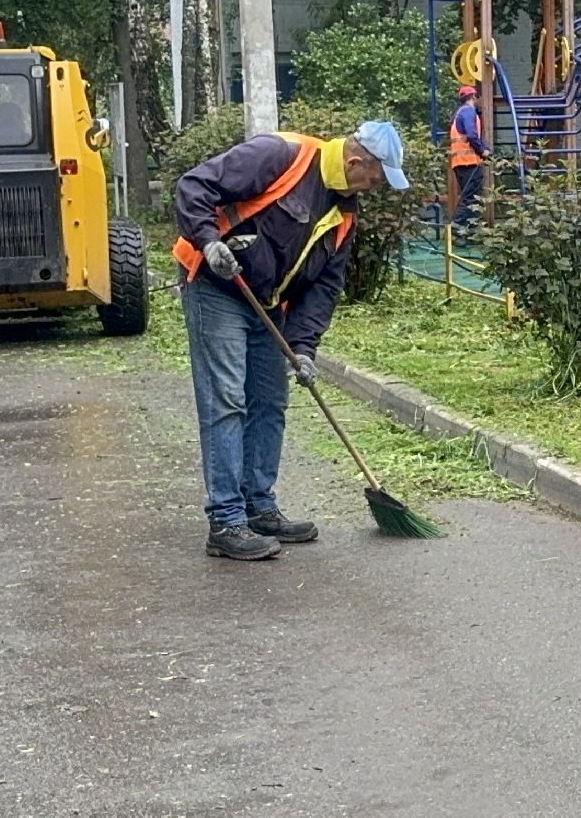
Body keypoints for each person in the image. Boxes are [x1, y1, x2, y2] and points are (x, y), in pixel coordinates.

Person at [171, 122, 411, 561]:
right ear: (356, 162)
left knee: (269, 401)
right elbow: (194, 186)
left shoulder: (345, 211)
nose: (375, 188)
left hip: (267, 303)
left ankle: (259, 506)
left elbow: (324, 286)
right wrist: (207, 242)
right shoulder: (282, 155)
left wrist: (303, 347)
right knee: (226, 399)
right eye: (376, 178)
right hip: (217, 286)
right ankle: (225, 520)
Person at [449, 85, 488, 235]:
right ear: (473, 97)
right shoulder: (468, 112)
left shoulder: (459, 113)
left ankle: (463, 233)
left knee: (469, 197)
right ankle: (454, 227)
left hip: (460, 162)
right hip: (468, 162)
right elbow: (472, 136)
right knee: (470, 198)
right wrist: (483, 150)